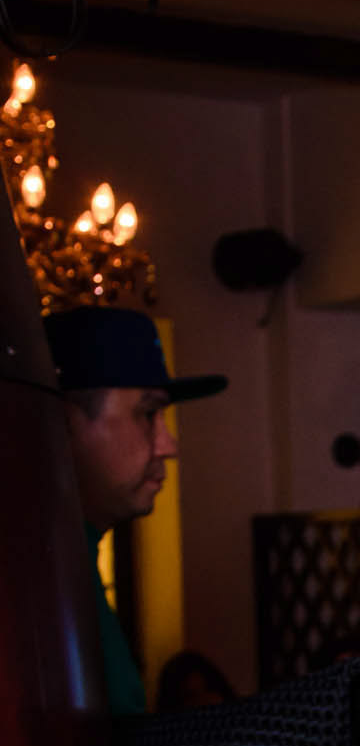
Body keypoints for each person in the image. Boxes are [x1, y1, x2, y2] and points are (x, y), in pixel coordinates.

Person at [45, 305, 228, 718]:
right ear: (63, 421)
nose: (168, 445)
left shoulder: (73, 566)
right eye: (148, 413)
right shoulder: (34, 581)